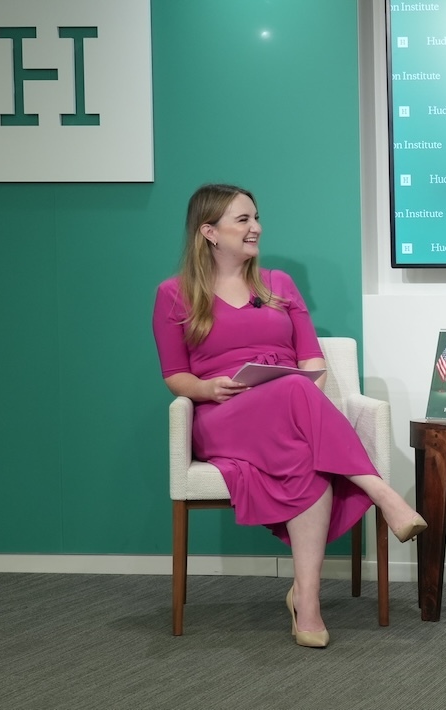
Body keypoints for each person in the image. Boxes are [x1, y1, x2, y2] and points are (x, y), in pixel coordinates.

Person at [152, 184, 427, 649]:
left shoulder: (278, 284)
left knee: (301, 424)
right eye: (242, 219)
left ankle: (308, 601)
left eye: (256, 217)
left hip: (287, 403)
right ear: (209, 232)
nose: (256, 227)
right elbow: (176, 375)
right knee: (295, 388)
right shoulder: (174, 294)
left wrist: (292, 383)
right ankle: (381, 491)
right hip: (223, 415)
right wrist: (206, 388)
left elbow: (312, 363)